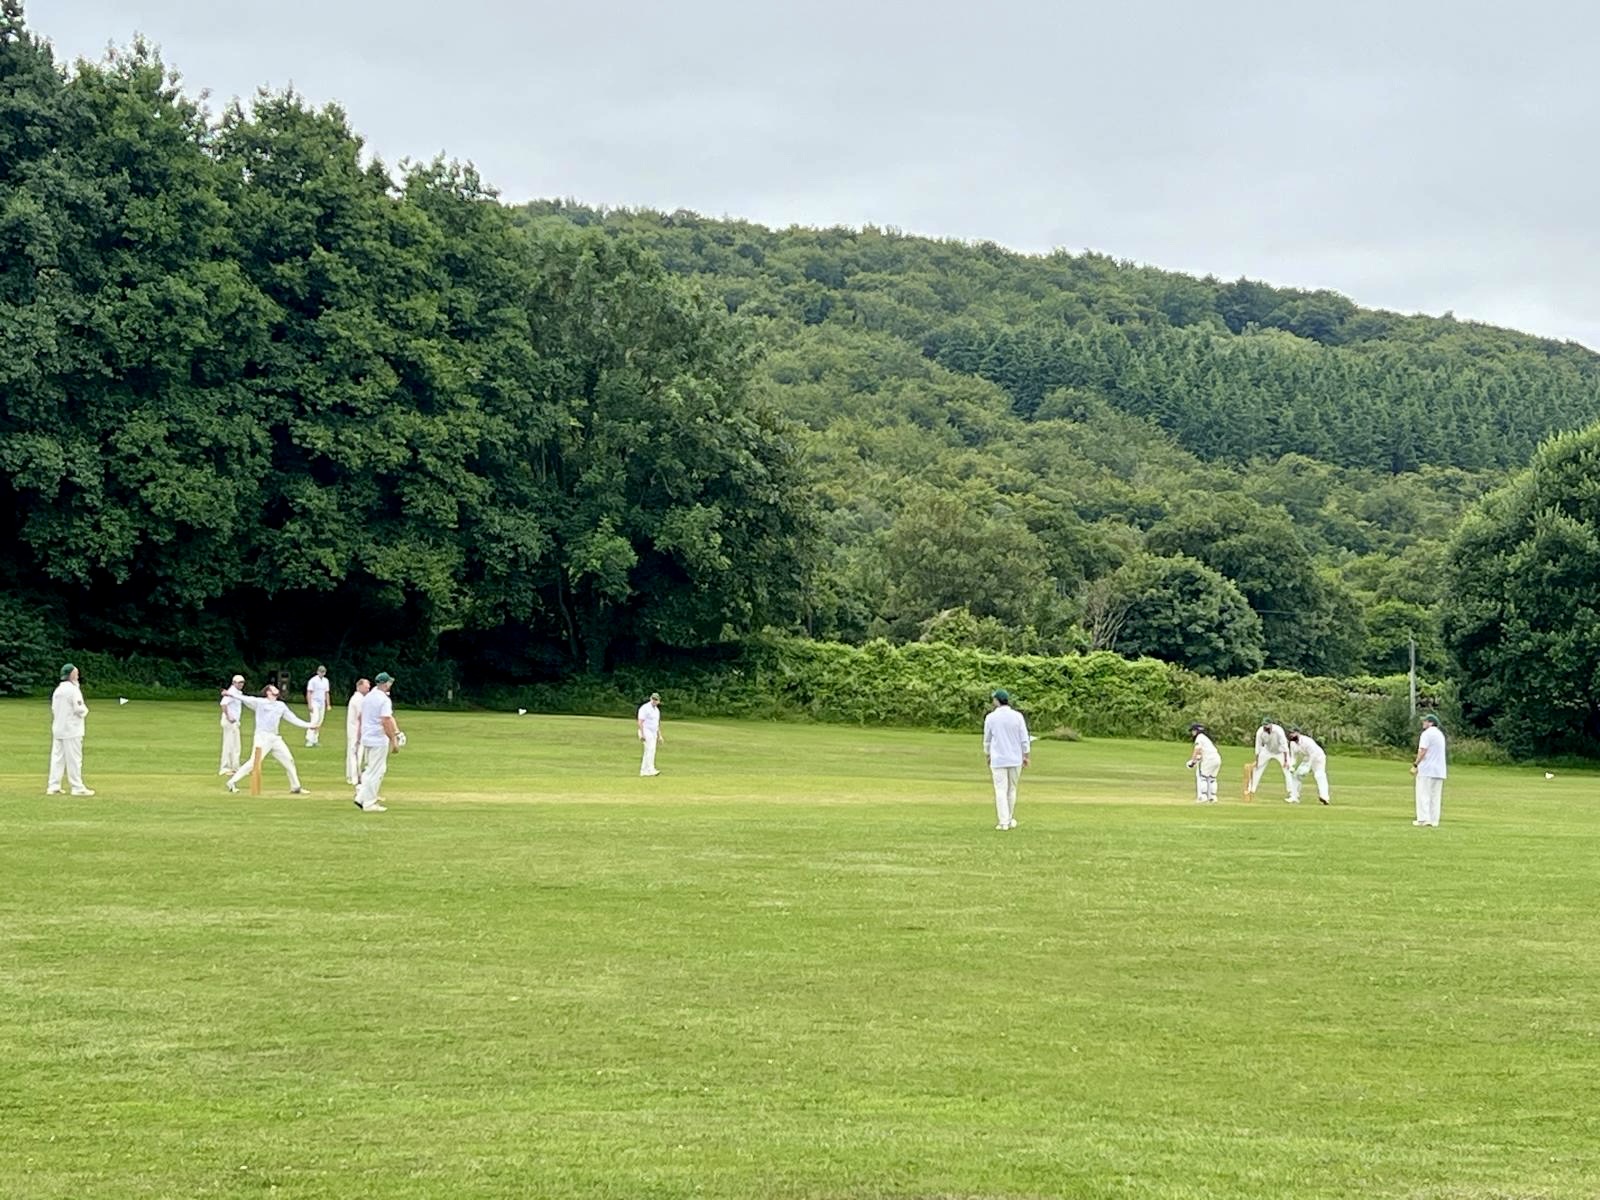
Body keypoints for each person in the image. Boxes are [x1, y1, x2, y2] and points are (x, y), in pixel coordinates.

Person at [225, 684, 317, 795]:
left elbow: (292, 718)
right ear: (268, 692)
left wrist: (308, 725)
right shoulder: (260, 703)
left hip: (275, 738)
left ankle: (296, 787)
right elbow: (246, 698)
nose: (276, 688)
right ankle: (232, 782)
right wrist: (231, 694)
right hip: (262, 737)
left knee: (289, 760)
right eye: (273, 688)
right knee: (254, 762)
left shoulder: (280, 705)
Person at [982, 689, 1031, 830]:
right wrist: (1026, 755)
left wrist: (988, 754)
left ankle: (1004, 821)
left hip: (998, 758)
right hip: (1015, 758)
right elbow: (1024, 738)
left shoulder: (991, 717)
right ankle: (1008, 819)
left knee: (1000, 790)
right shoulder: (1017, 716)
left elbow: (987, 740)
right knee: (1011, 789)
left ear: (997, 701)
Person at [354, 672, 400, 813]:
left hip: (367, 738)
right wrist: (394, 740)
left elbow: (362, 716)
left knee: (370, 769)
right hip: (378, 739)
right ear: (385, 684)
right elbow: (386, 720)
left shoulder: (368, 697)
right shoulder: (384, 700)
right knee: (377, 771)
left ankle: (361, 797)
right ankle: (369, 803)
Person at [46, 663, 94, 796]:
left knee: (57, 758)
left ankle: (53, 785)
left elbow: (54, 709)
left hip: (58, 728)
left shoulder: (58, 690)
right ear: (72, 675)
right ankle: (77, 787)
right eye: (76, 674)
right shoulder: (73, 690)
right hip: (72, 729)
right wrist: (85, 711)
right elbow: (79, 709)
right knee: (74, 759)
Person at [1411, 712, 1447, 827]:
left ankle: (1423, 819)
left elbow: (1423, 751)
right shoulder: (1440, 734)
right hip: (1439, 770)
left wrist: (1415, 764)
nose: (1423, 723)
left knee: (1423, 794)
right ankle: (1434, 820)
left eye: (1425, 721)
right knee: (1435, 796)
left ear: (1431, 723)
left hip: (1427, 769)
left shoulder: (1427, 734)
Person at [1247, 718, 1293, 802]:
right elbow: (1258, 746)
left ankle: (1292, 793)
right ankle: (1251, 790)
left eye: (1267, 725)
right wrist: (1257, 761)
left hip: (1280, 751)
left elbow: (1284, 745)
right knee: (1256, 769)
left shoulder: (1278, 730)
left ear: (1271, 724)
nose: (1265, 727)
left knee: (1287, 769)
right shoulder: (1260, 732)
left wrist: (1286, 761)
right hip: (1267, 751)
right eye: (1264, 725)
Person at [1287, 726, 1331, 805]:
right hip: (1307, 758)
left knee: (1319, 775)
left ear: (1298, 733)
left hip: (1318, 757)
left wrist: (1308, 766)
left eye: (1292, 733)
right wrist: (1291, 766)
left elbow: (1313, 754)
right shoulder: (1292, 743)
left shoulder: (1307, 741)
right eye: (1290, 733)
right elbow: (1293, 756)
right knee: (1296, 776)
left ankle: (1325, 797)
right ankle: (1294, 797)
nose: (1291, 735)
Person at [345, 677, 372, 786]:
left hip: (353, 729)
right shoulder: (358, 699)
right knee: (355, 753)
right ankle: (355, 778)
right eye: (366, 688)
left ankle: (350, 776)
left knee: (352, 752)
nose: (368, 690)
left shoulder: (357, 698)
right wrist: (361, 732)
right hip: (355, 730)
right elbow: (361, 716)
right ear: (359, 686)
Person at [1186, 722, 1221, 803]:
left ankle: (1203, 796)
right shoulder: (1206, 738)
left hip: (1209, 759)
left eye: (1193, 731)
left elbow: (1197, 750)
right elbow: (1202, 752)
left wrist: (1192, 761)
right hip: (1217, 758)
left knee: (1203, 777)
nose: (1192, 733)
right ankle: (1213, 797)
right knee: (1212, 778)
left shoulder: (1199, 737)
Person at [218, 674, 245, 776]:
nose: (240, 684)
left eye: (242, 682)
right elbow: (223, 704)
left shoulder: (237, 692)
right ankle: (225, 768)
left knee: (235, 745)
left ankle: (235, 767)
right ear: (233, 683)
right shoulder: (231, 691)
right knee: (229, 744)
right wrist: (229, 716)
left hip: (235, 721)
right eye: (238, 682)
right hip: (230, 721)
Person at [637, 692, 663, 777]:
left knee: (650, 750)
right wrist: (642, 734)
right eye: (653, 699)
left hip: (653, 732)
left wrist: (659, 736)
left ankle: (644, 771)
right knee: (650, 749)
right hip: (646, 730)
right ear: (650, 698)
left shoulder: (657, 711)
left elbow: (657, 724)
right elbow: (640, 721)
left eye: (656, 700)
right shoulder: (645, 708)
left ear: (659, 701)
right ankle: (650, 769)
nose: (654, 701)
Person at [304, 665, 331, 747]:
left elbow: (326, 693)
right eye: (320, 672)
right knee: (314, 720)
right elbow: (309, 692)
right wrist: (309, 704)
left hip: (322, 703)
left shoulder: (326, 681)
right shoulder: (313, 680)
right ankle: (309, 739)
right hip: (314, 702)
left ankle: (315, 739)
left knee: (320, 721)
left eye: (323, 672)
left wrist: (328, 704)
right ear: (317, 672)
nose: (322, 673)